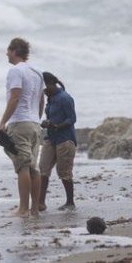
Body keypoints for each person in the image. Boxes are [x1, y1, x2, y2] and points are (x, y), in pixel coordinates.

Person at [0, 37, 45, 217]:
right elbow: (42, 100)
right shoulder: (37, 72)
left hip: (20, 122)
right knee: (34, 167)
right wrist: (36, 120)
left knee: (22, 166)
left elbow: (15, 98)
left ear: (13, 51)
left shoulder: (15, 71)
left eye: (8, 51)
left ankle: (23, 209)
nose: (6, 54)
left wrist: (3, 122)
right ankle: (34, 209)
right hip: (34, 123)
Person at [39, 71, 77, 211]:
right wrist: (47, 123)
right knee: (43, 168)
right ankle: (40, 203)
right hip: (51, 138)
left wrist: (55, 125)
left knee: (64, 171)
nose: (42, 92)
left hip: (65, 139)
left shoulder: (64, 98)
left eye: (43, 88)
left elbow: (72, 119)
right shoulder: (51, 98)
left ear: (49, 84)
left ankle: (70, 202)